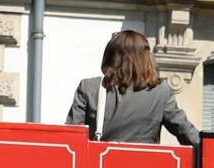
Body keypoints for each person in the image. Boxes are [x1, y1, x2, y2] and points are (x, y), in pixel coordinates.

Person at [67, 28, 197, 147]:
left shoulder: (89, 88)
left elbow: (71, 137)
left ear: (110, 57)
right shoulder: (161, 92)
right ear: (145, 58)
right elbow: (188, 135)